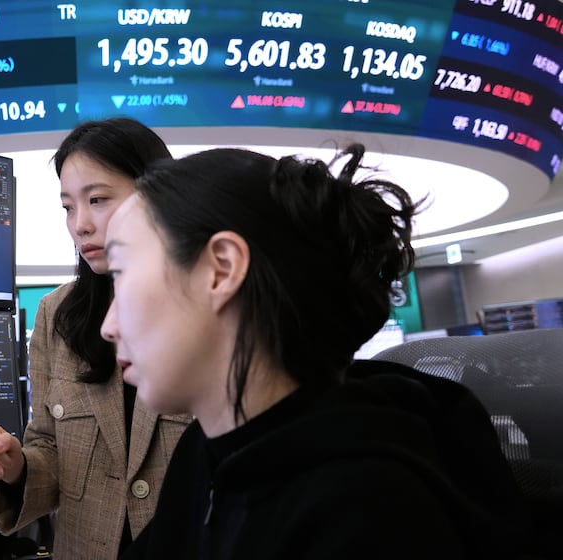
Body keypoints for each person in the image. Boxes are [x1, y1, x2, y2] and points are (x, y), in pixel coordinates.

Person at [100, 145, 531, 559]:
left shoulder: (369, 509)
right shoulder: (204, 453)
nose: (108, 326)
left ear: (221, 270)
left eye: (120, 274)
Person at [0, 117, 192, 558]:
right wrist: (15, 465)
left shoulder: (205, 311)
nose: (80, 224)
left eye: (98, 200)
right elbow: (48, 446)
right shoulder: (58, 315)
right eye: (67, 207)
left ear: (157, 196)